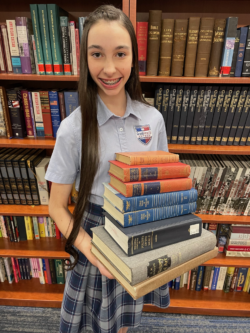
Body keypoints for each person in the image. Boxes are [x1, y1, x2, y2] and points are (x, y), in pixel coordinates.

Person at [45, 5, 170, 333]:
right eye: (97, 54)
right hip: (95, 235)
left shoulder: (153, 119)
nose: (110, 68)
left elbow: (162, 183)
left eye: (120, 54)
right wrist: (88, 247)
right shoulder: (72, 129)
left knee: (126, 313)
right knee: (94, 318)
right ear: (85, 59)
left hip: (140, 229)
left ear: (134, 58)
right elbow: (56, 206)